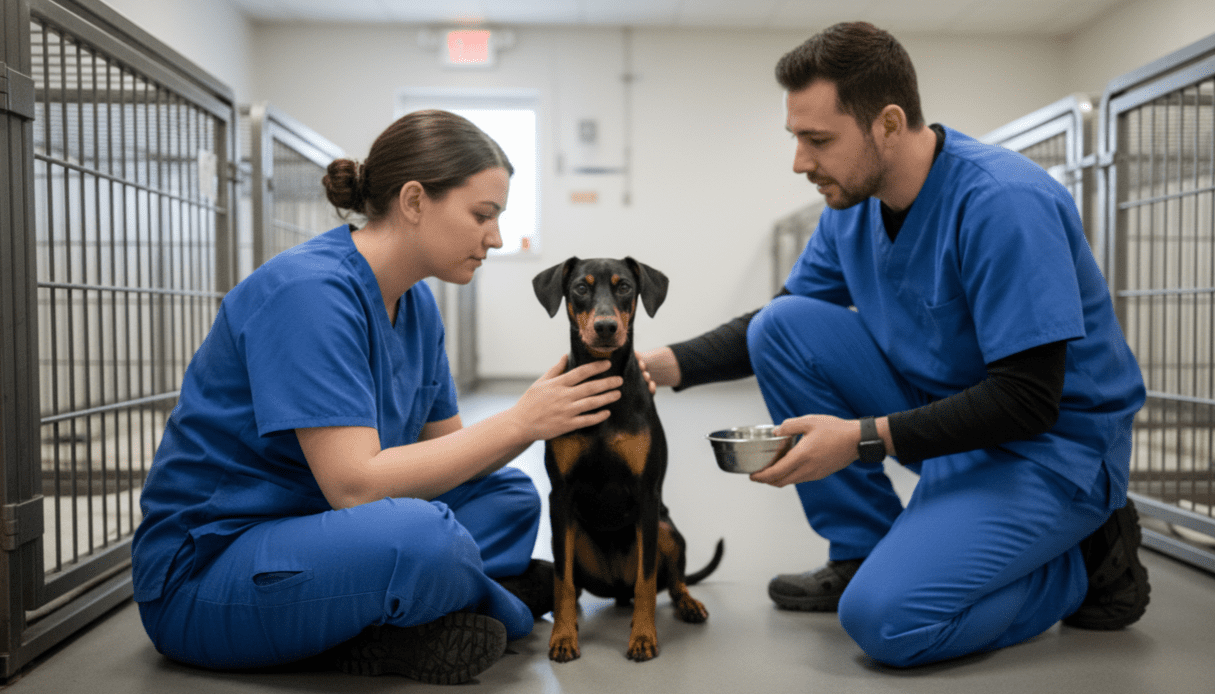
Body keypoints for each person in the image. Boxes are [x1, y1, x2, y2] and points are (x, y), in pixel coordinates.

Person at [641, 22, 1150, 668]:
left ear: (886, 123)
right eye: (795, 138)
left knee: (888, 622)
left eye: (816, 140)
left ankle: (1082, 562)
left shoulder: (1002, 203)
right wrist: (664, 364)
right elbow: (777, 321)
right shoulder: (849, 210)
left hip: (1048, 452)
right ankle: (862, 551)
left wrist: (859, 438)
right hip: (950, 422)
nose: (799, 162)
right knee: (784, 326)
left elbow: (1028, 402)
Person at [131, 110, 624, 684]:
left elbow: (452, 458)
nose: (495, 237)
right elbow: (355, 485)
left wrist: (539, 415)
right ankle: (481, 605)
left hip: (323, 530)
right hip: (212, 571)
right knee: (422, 539)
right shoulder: (307, 293)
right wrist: (520, 422)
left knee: (509, 495)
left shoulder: (415, 307)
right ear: (414, 201)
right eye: (483, 215)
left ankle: (415, 603)